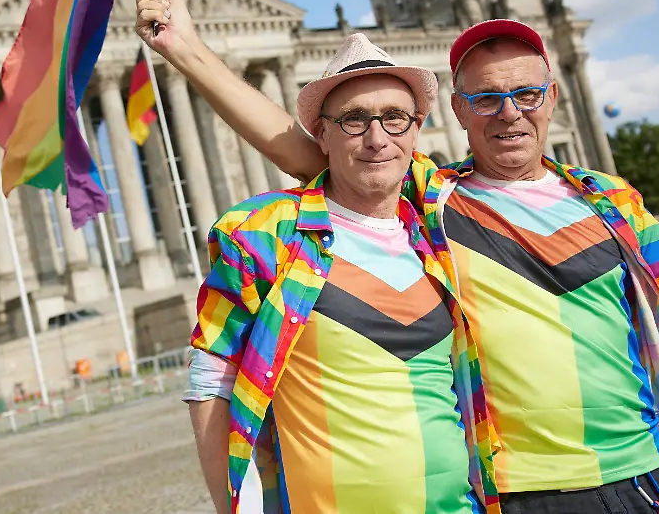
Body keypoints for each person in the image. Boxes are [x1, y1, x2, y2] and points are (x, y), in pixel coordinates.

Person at [138, 0, 659, 511]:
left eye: (527, 95)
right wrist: (185, 49)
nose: (509, 113)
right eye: (486, 99)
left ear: (550, 98)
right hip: (515, 493)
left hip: (652, 473)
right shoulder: (435, 202)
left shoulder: (609, 199)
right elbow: (315, 154)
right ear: (457, 111)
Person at [183, 33, 498, 514]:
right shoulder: (264, 235)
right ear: (323, 136)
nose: (377, 138)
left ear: (416, 131)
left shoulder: (440, 225)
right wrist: (184, 46)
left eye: (394, 117)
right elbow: (212, 383)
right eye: (353, 120)